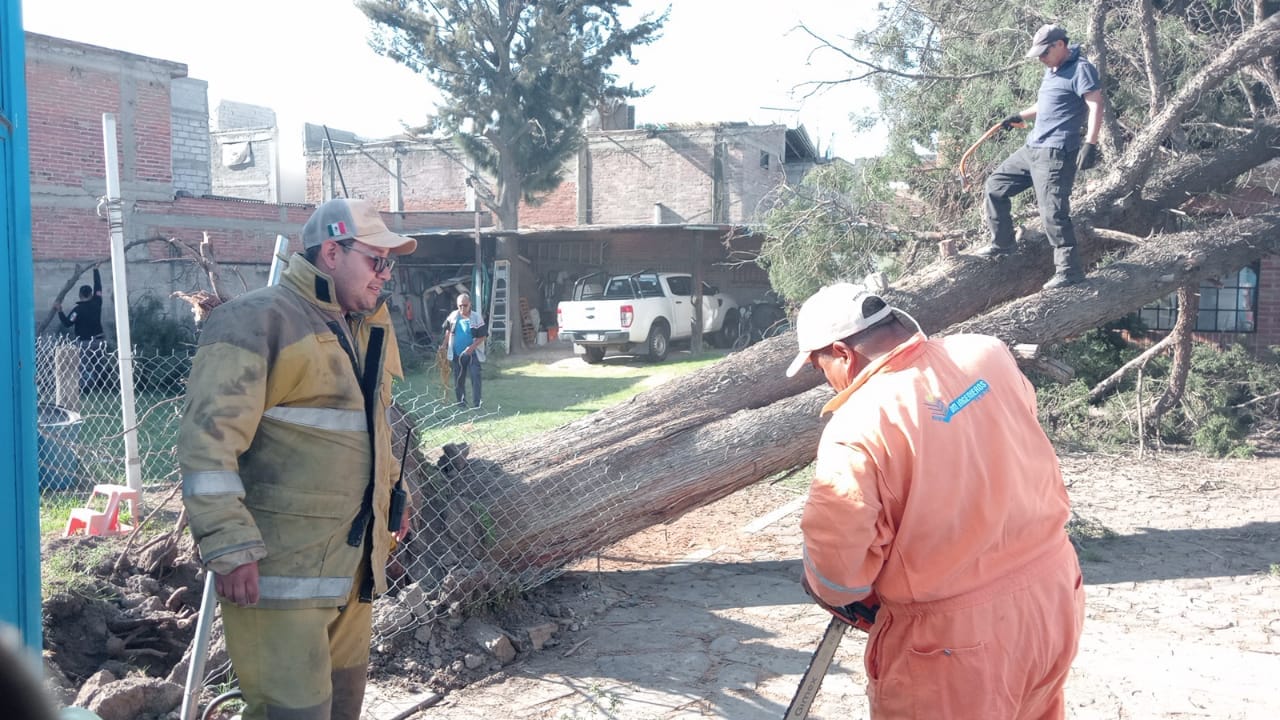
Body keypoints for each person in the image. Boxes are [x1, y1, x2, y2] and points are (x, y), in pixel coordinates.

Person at [785, 282, 1085, 719]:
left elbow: (839, 571)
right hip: (1053, 595)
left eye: (820, 367)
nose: (825, 380)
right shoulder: (985, 354)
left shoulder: (856, 428)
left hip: (954, 643)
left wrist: (828, 586)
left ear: (842, 354)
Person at [177, 197, 415, 720]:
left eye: (389, 263)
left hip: (351, 573)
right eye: (376, 260)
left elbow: (367, 429)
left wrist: (394, 495)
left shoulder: (361, 328)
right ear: (332, 251)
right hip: (279, 579)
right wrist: (230, 544)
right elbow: (207, 443)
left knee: (340, 709)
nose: (385, 276)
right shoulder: (258, 321)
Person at [975, 23, 1104, 290]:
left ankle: (1069, 270)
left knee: (1053, 212)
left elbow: (1095, 105)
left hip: (1056, 153)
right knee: (995, 187)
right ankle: (1003, 243)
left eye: (1045, 53)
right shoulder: (1052, 71)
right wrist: (1019, 116)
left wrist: (1090, 144)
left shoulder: (1081, 69)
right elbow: (1046, 104)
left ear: (1060, 45)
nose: (1042, 59)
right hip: (1032, 148)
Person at [54, 267, 106, 390]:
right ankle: (102, 386)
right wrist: (96, 270)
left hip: (85, 343)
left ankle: (87, 388)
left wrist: (60, 311)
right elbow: (98, 287)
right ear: (91, 294)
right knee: (99, 364)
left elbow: (67, 323)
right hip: (99, 341)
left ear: (80, 295)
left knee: (85, 366)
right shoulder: (97, 302)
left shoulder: (77, 310)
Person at [443, 292, 487, 408]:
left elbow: (483, 336)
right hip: (457, 353)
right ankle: (461, 402)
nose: (462, 308)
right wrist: (443, 346)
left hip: (472, 353)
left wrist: (471, 348)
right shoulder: (453, 316)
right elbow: (447, 331)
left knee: (475, 376)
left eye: (465, 305)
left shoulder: (476, 317)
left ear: (470, 304)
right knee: (459, 378)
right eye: (460, 306)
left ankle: (477, 403)